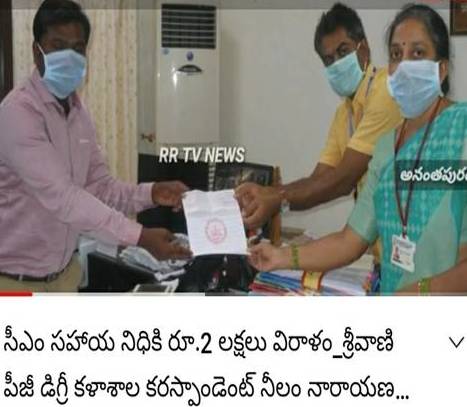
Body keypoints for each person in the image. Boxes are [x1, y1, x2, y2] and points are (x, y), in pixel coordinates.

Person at [249, 4, 467, 294]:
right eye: (396, 55)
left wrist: (420, 293)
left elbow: (340, 180)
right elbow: (349, 241)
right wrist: (281, 257)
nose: (404, 66)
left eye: (417, 53)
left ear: (441, 69)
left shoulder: (461, 131)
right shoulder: (387, 147)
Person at [0, 0, 191, 292]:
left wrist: (151, 193)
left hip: (64, 277)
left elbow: (100, 187)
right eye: (58, 46)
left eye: (77, 48)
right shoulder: (18, 113)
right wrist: (140, 237)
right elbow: (65, 199)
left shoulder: (78, 112)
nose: (69, 56)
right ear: (37, 51)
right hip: (14, 282)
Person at [236, 3, 401, 230]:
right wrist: (267, 194)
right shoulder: (344, 113)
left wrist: (274, 199)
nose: (337, 64)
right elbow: (320, 179)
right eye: (328, 59)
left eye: (343, 52)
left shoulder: (385, 91)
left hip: (410, 240)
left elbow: (343, 181)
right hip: (377, 241)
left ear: (364, 49)